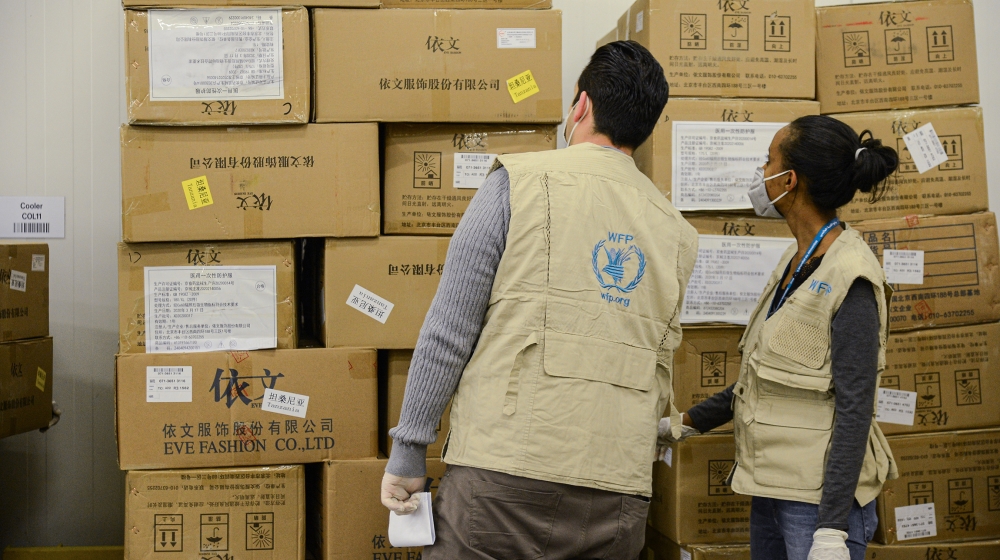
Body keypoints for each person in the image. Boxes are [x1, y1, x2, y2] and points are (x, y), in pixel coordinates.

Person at [379, 40, 698, 559]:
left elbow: (449, 328)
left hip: (502, 476)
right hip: (616, 492)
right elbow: (660, 357)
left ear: (582, 105)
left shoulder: (518, 183)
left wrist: (410, 448)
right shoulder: (678, 234)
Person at [665, 115, 900, 560]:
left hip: (818, 503)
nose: (761, 171)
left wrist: (831, 530)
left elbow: (855, 408)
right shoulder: (796, 263)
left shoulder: (852, 277)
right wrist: (684, 424)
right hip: (774, 486)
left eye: (767, 160)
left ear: (789, 180)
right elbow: (763, 382)